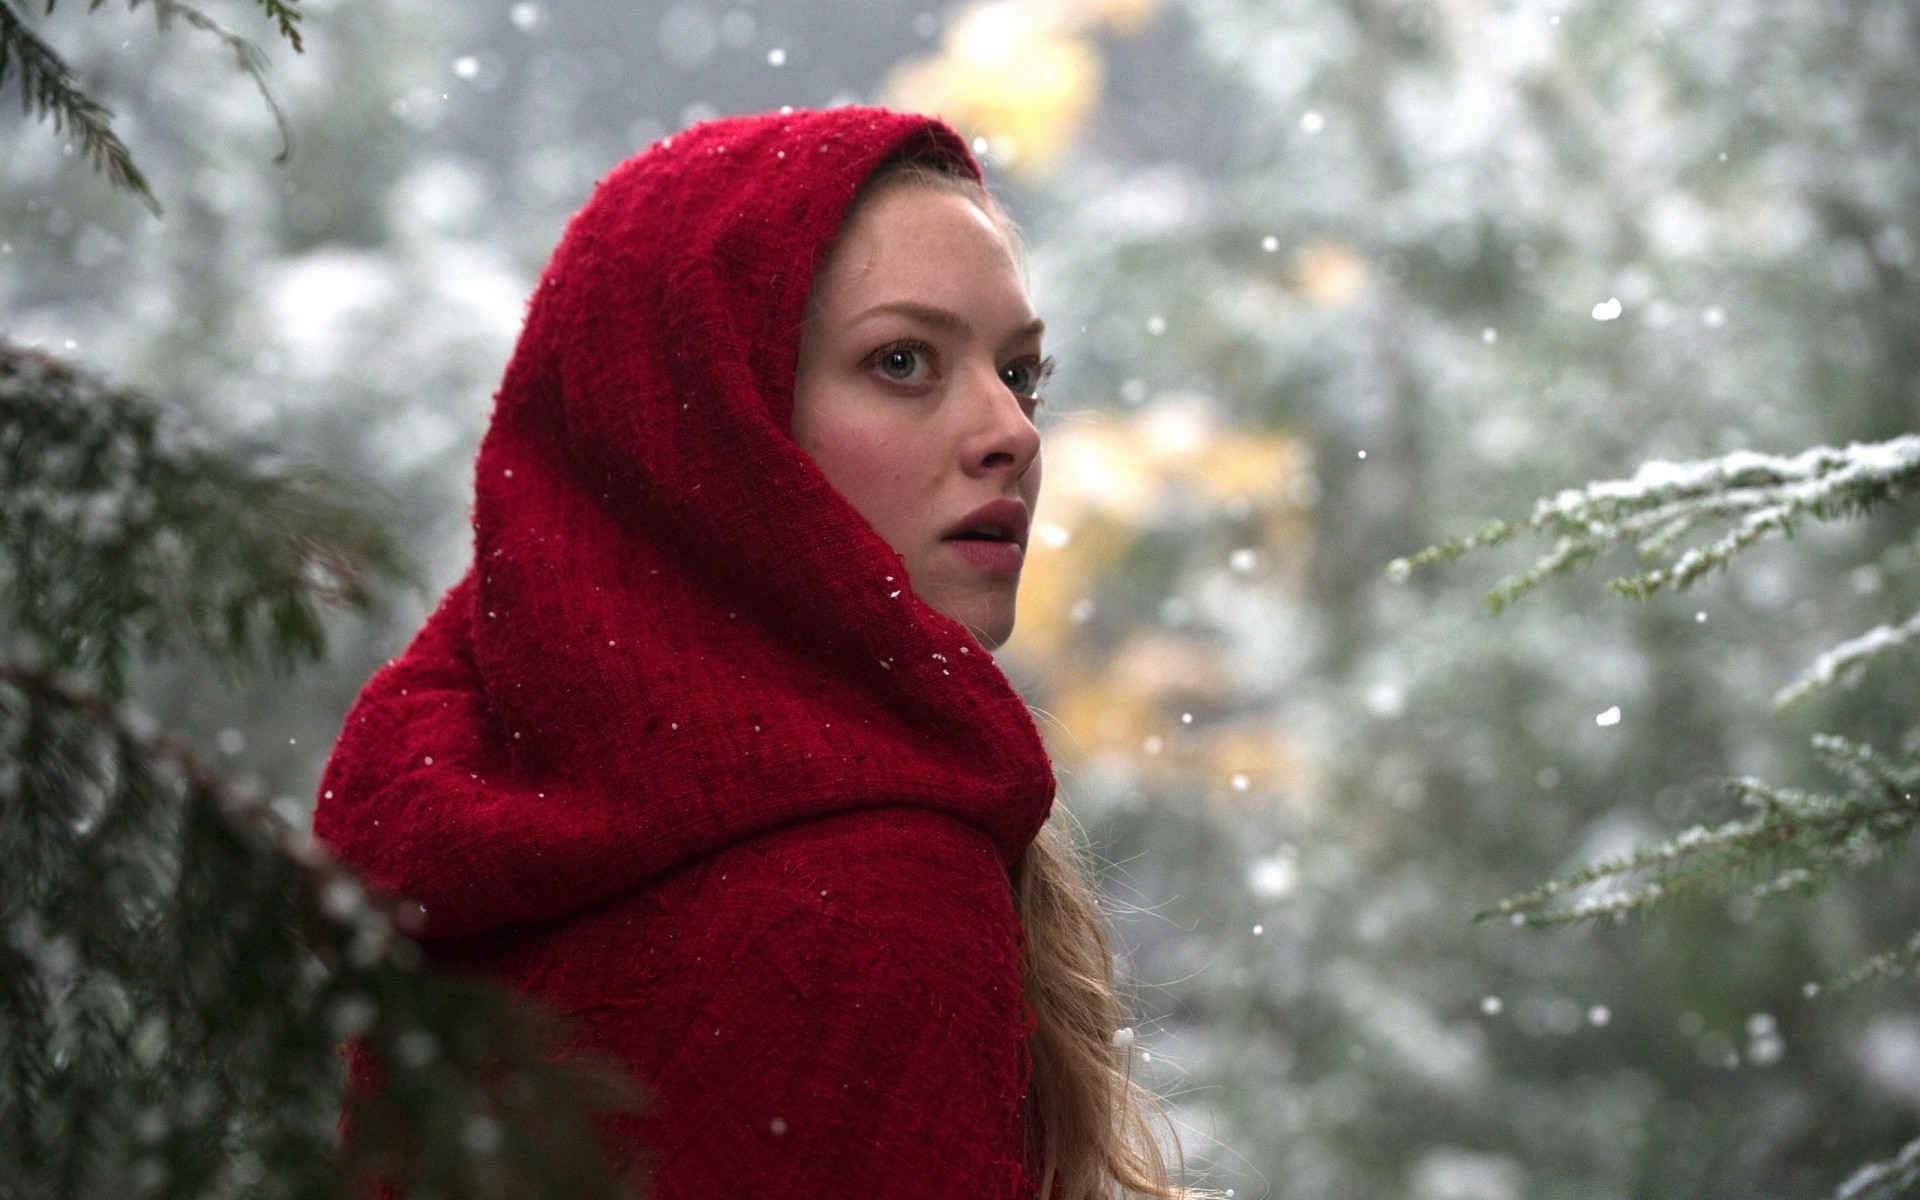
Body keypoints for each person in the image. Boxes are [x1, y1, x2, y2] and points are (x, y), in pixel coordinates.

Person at [315, 106, 1185, 1200]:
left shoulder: (477, 858)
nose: (1011, 429)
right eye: (904, 360)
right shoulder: (868, 898)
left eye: (1021, 373)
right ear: (712, 433)